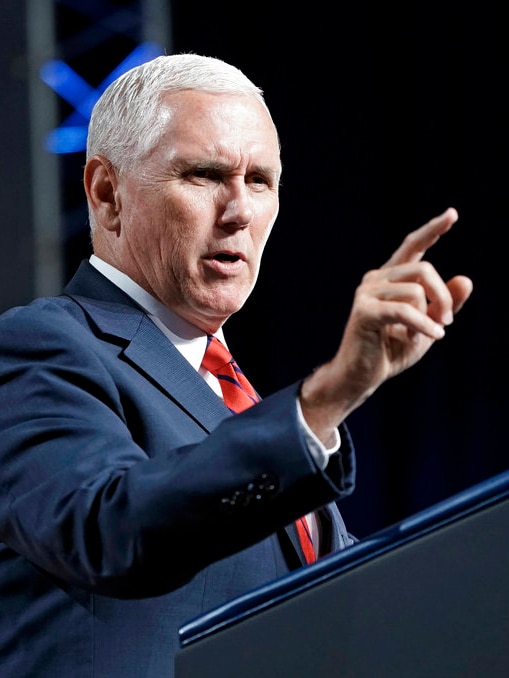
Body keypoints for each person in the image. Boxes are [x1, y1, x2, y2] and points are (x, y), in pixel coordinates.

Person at [0, 53, 472, 677]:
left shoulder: (233, 395)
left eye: (261, 181)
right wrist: (329, 396)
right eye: (204, 175)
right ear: (107, 193)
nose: (240, 211)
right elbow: (110, 528)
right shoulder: (40, 345)